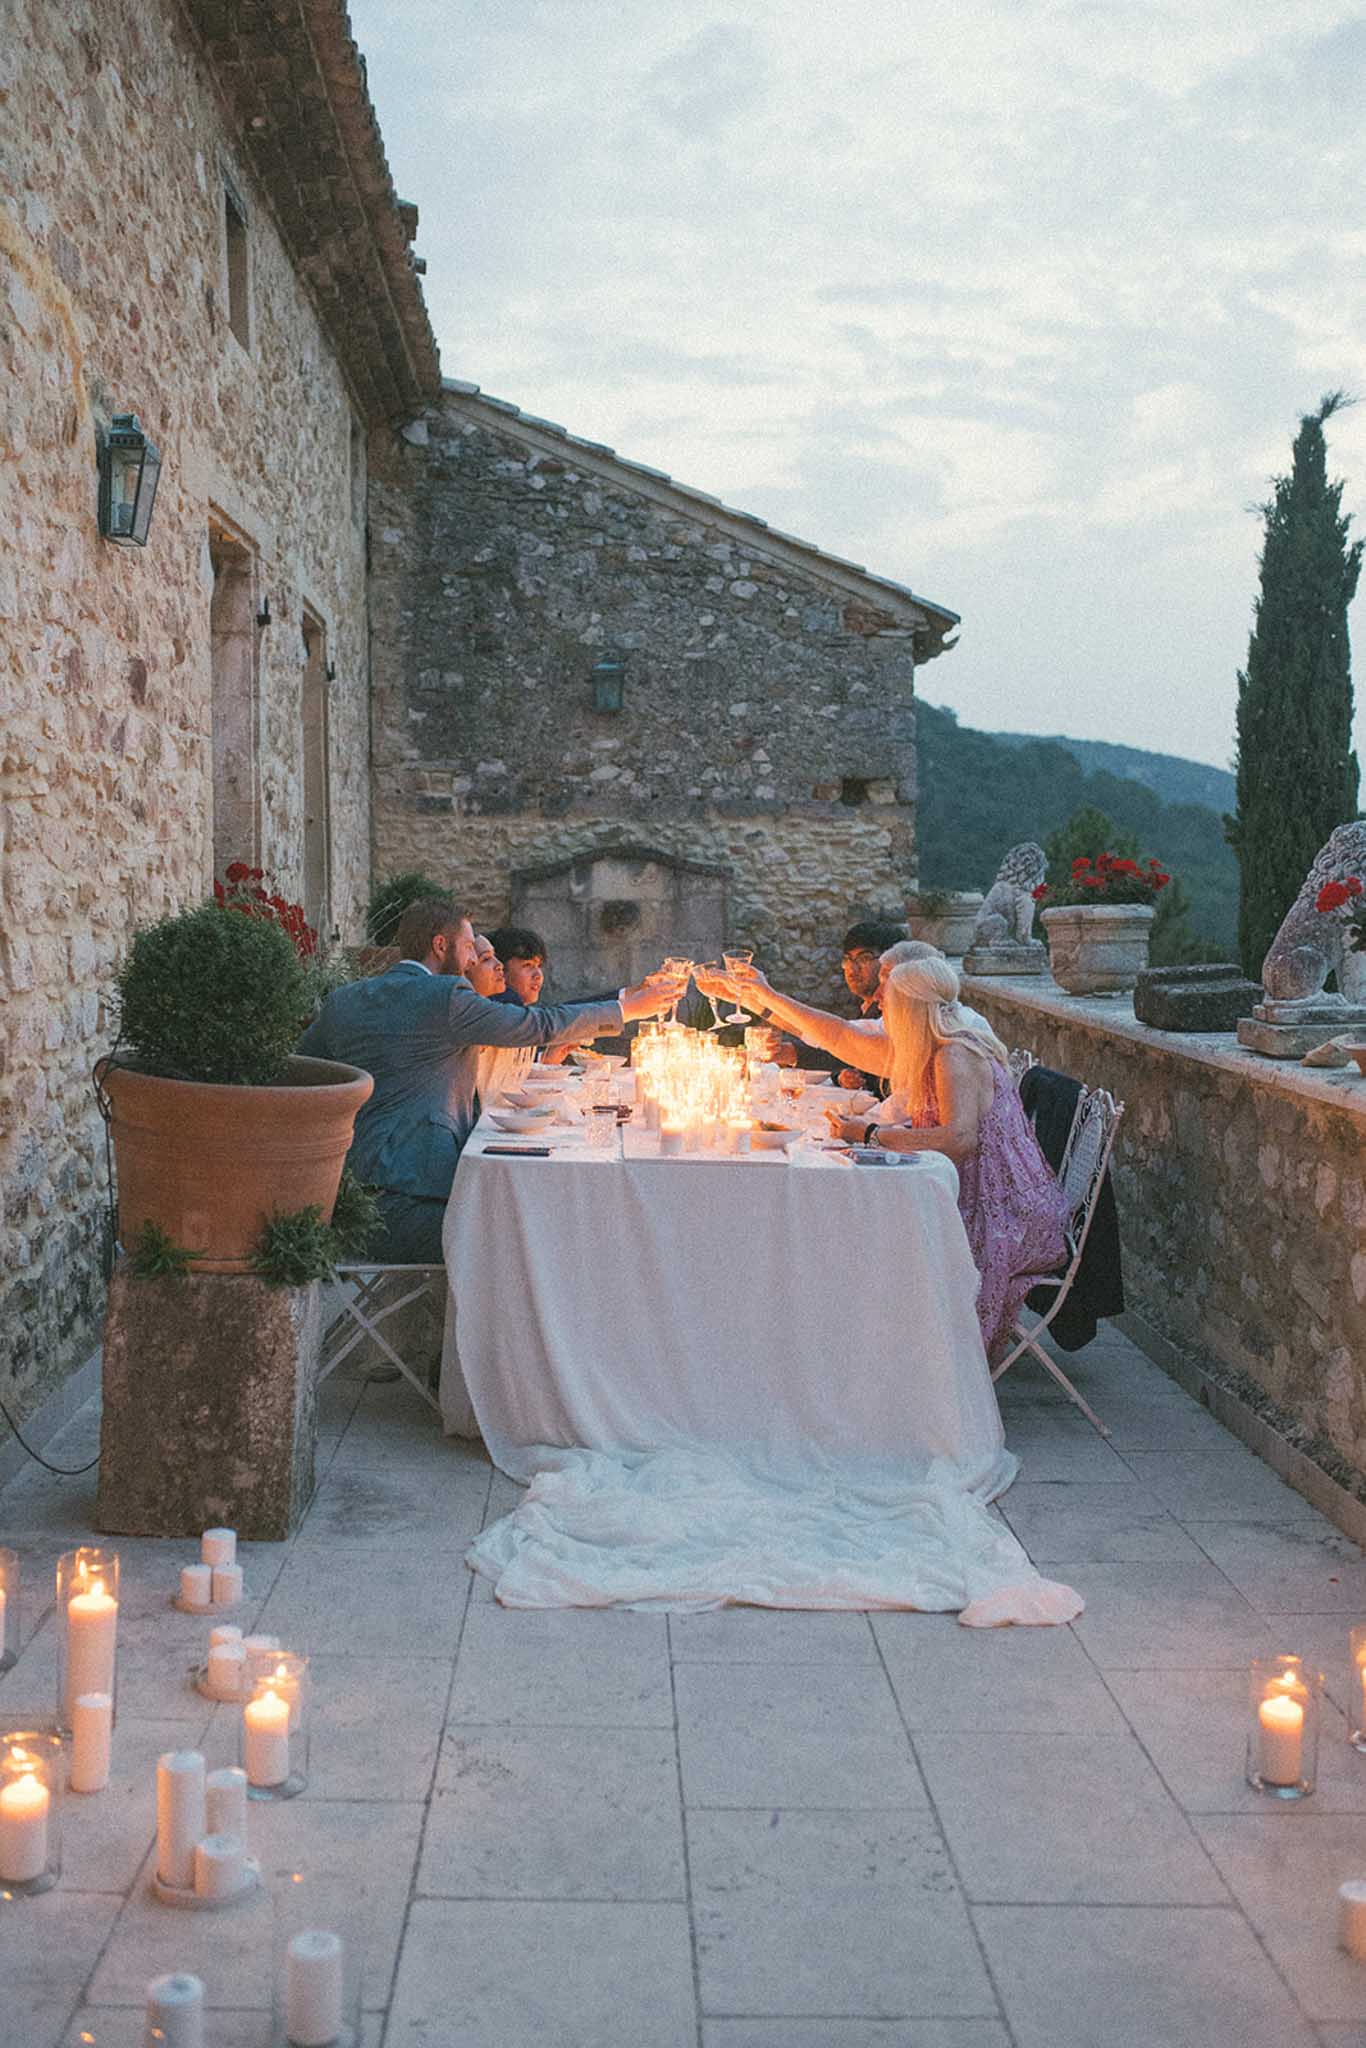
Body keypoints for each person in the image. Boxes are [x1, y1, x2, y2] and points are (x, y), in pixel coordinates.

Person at [299, 898, 681, 1262]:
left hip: (345, 1199)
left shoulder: (345, 1000)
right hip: (412, 1204)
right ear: (440, 945)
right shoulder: (447, 995)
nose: (470, 962)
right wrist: (625, 1009)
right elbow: (537, 1024)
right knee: (540, 1232)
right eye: (468, 949)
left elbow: (301, 1073)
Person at [838, 957, 1068, 1363]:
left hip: (1006, 1214)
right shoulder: (942, 1050)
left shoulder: (952, 1056)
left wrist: (872, 1135)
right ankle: (882, 1355)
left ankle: (904, 1363)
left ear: (911, 1009)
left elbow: (959, 1139)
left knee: (885, 1239)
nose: (883, 1012)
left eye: (889, 1004)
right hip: (985, 1194)